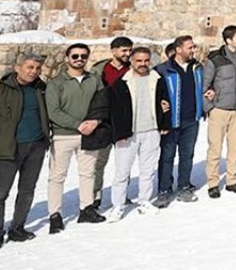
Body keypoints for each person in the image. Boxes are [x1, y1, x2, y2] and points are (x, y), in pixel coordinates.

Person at [0, 53, 49, 254]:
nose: (34, 71)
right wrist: (1, 136)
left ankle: (17, 228)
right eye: (30, 67)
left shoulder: (41, 90)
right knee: (0, 193)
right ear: (17, 68)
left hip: (36, 147)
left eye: (37, 68)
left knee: (27, 190)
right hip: (8, 149)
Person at [92, 48, 171, 222]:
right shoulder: (121, 82)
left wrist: (164, 124)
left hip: (151, 131)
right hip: (128, 134)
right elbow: (114, 110)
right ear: (132, 61)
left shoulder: (157, 79)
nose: (143, 64)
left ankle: (144, 202)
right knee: (122, 172)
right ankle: (118, 205)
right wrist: (119, 133)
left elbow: (165, 102)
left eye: (146, 60)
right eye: (139, 61)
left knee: (147, 171)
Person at [44, 43, 103, 233]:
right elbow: (53, 111)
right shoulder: (56, 83)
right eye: (75, 56)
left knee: (88, 173)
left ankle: (86, 209)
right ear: (67, 58)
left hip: (89, 134)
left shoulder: (94, 80)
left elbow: (102, 103)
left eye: (83, 56)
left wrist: (95, 121)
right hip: (63, 135)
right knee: (57, 176)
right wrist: (77, 124)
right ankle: (55, 214)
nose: (79, 59)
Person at [152, 35, 204, 207]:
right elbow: (153, 93)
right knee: (167, 156)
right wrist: (160, 104)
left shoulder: (197, 68)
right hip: (171, 121)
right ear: (178, 49)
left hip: (191, 119)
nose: (193, 50)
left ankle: (184, 186)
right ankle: (164, 189)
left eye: (193, 47)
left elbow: (204, 87)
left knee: (187, 155)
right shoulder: (162, 70)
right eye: (190, 47)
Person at [202, 25, 236, 198]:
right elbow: (205, 84)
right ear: (228, 40)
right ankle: (213, 183)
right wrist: (209, 107)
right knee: (215, 148)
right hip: (219, 109)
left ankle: (232, 180)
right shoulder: (215, 58)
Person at [88, 36, 132, 213]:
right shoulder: (99, 70)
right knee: (99, 162)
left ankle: (122, 193)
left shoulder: (132, 69)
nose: (127, 54)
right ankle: (94, 196)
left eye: (129, 50)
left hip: (124, 121)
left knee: (124, 162)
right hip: (104, 122)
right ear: (113, 51)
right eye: (124, 50)